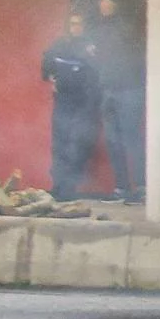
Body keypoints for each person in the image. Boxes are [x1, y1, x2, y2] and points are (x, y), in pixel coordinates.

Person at [42, 12, 105, 199]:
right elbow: (46, 62)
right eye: (72, 24)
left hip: (84, 104)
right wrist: (49, 75)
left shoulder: (90, 46)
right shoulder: (60, 44)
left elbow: (99, 72)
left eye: (79, 24)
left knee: (77, 144)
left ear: (84, 26)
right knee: (59, 144)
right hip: (62, 101)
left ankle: (70, 188)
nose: (75, 27)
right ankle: (58, 186)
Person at [90, 0, 143, 204]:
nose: (101, 3)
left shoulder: (126, 27)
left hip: (129, 89)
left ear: (115, 3)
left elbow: (124, 49)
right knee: (113, 142)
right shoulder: (100, 28)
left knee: (131, 139)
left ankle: (141, 187)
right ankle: (122, 188)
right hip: (108, 89)